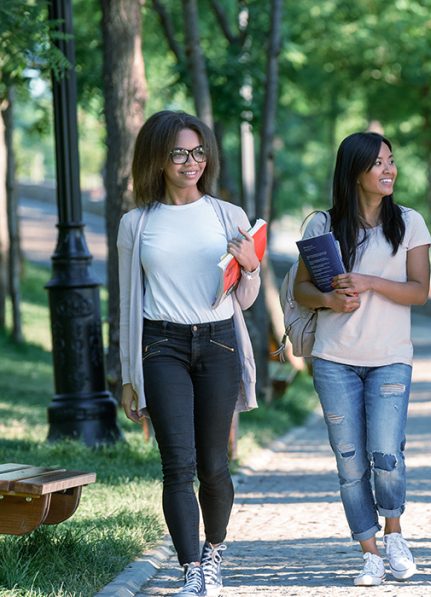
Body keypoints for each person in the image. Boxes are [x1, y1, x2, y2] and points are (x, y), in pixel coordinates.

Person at [118, 110, 261, 597]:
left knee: (214, 465)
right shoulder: (137, 224)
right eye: (179, 152)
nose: (191, 161)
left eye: (198, 151)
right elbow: (126, 304)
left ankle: (213, 552)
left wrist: (251, 267)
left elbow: (244, 298)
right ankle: (189, 570)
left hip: (219, 341)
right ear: (157, 159)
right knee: (176, 466)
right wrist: (127, 375)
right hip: (161, 345)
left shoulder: (228, 216)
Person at [293, 132, 431, 587]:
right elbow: (301, 291)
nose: (388, 170)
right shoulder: (322, 226)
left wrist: (370, 282)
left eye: (391, 161)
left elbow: (419, 291)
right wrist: (331, 301)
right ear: (354, 172)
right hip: (334, 359)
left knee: (386, 453)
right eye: (378, 163)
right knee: (350, 460)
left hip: (390, 357)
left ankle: (394, 534)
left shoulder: (409, 223)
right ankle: (369, 550)